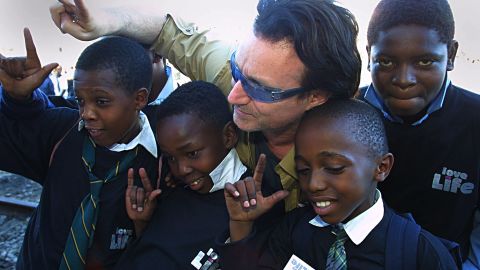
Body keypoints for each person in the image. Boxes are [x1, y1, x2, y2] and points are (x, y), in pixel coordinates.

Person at [50, 0, 362, 223]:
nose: (234, 94)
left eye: (260, 88)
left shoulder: (342, 157)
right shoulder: (243, 74)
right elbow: (166, 31)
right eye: (237, 70)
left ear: (316, 97)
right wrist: (104, 20)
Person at [217, 99, 458, 269]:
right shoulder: (294, 230)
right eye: (303, 170)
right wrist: (240, 223)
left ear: (381, 167)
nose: (313, 184)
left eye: (334, 168)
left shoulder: (421, 256)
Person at [0, 30, 158, 269]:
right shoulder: (64, 131)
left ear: (140, 99)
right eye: (80, 101)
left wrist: (143, 226)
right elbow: (16, 131)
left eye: (101, 101)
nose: (87, 114)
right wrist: (17, 100)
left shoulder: (160, 158)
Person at [357, 0, 480, 268]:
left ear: (451, 55)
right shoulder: (345, 114)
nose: (404, 79)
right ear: (369, 56)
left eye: (425, 61)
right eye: (386, 61)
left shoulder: (475, 120)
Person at [115, 80, 254, 269]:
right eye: (170, 158)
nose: (181, 169)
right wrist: (143, 224)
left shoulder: (254, 202)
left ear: (228, 136)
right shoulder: (172, 187)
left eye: (192, 153)